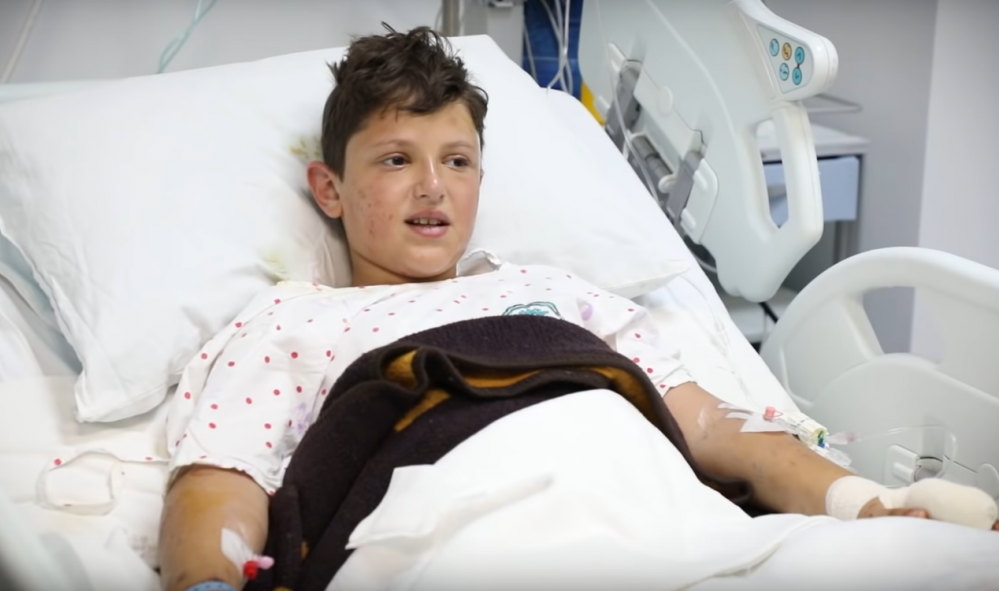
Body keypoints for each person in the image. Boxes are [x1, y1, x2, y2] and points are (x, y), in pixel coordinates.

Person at [157, 25, 998, 591]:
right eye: (395, 160)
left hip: (666, 516)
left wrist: (864, 504)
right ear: (329, 189)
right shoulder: (291, 321)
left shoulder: (556, 295)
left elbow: (714, 427)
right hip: (457, 527)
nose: (433, 186)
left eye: (457, 160)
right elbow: (219, 480)